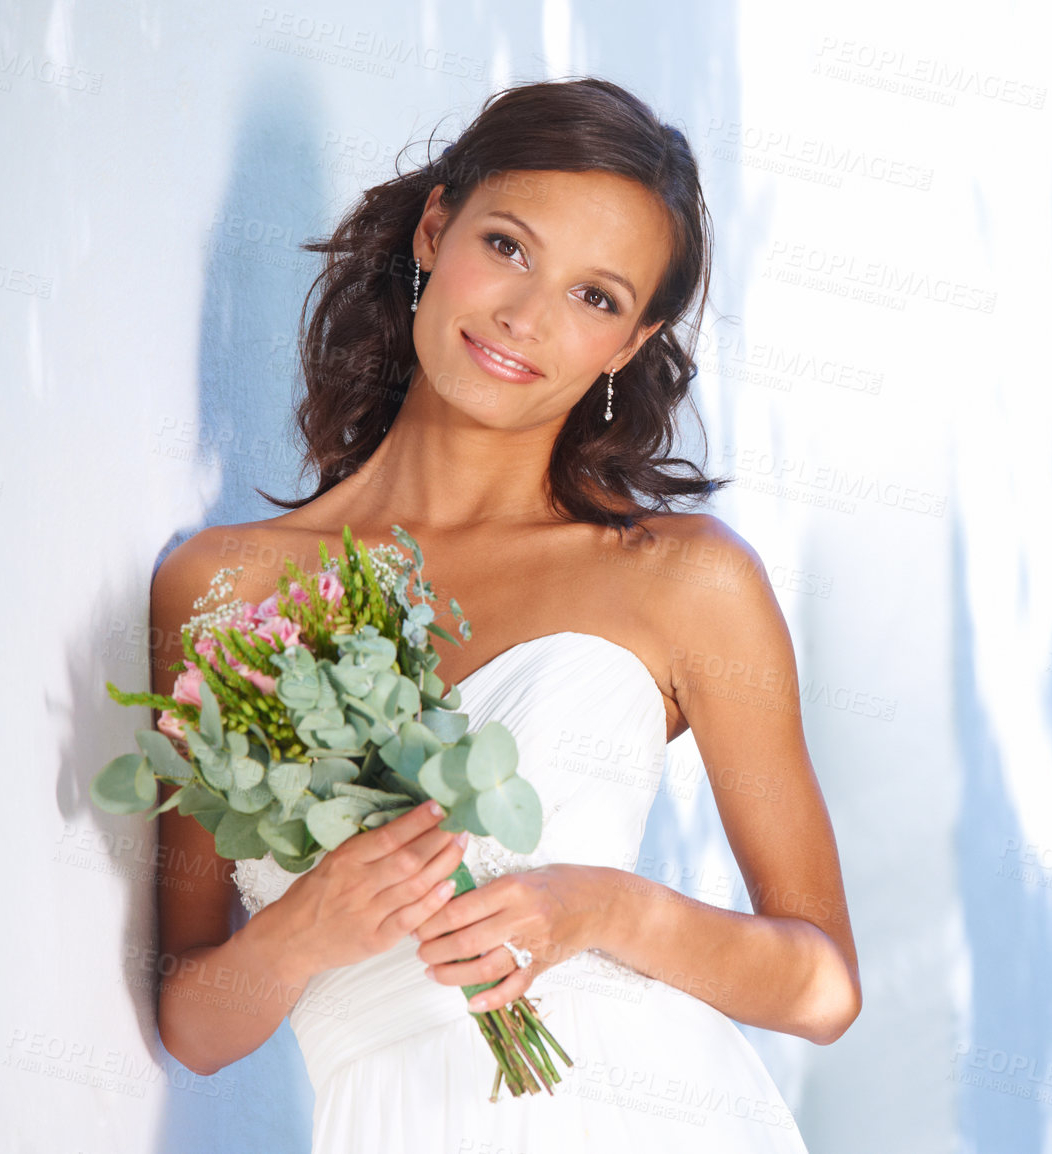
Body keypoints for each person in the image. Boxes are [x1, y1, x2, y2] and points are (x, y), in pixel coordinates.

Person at [145, 77, 859, 1151]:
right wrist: (302, 931)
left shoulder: (683, 578)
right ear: (437, 227)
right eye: (511, 247)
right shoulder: (224, 587)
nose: (527, 317)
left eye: (597, 297)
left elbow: (821, 984)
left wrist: (601, 909)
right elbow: (192, 1021)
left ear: (629, 342)